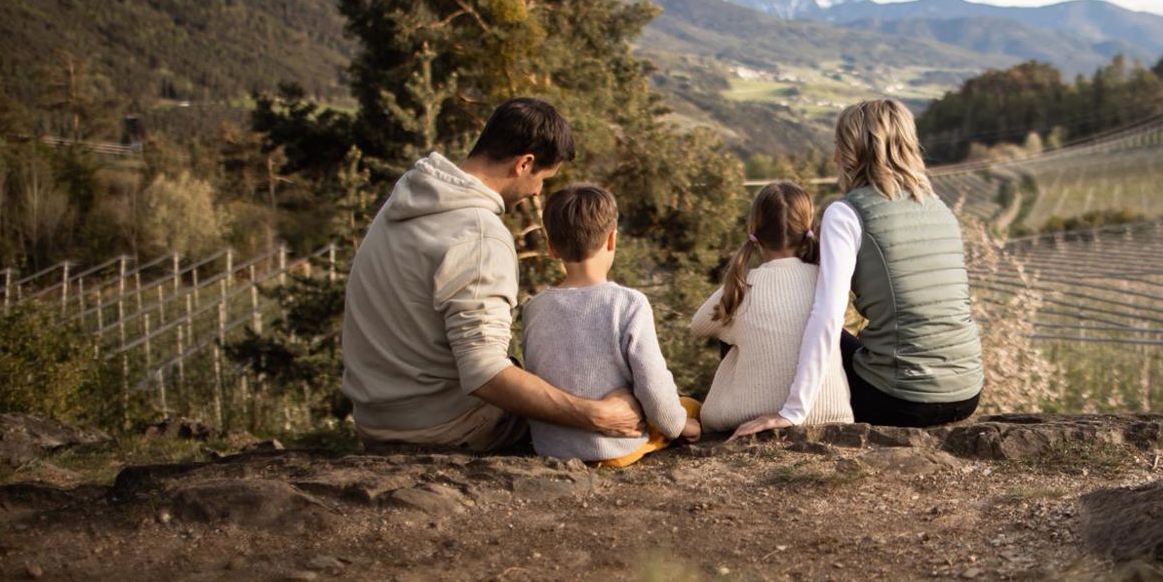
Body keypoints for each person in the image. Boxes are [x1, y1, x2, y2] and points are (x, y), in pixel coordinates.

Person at [341, 98, 643, 451]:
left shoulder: (409, 199)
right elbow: (484, 373)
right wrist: (596, 414)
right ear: (525, 163)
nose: (538, 192)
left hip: (376, 419)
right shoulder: (480, 235)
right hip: (443, 426)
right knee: (601, 423)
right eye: (543, 179)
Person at [733, 99, 984, 438]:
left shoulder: (847, 213)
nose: (835, 155)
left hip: (901, 400)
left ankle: (732, 405)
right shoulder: (940, 208)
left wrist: (794, 411)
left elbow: (827, 316)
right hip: (967, 393)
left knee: (773, 322)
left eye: (839, 144)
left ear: (854, 149)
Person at [522, 183, 701, 467]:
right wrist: (682, 427)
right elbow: (653, 384)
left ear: (551, 248)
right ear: (612, 240)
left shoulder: (534, 309)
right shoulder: (629, 303)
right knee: (688, 406)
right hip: (615, 448)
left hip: (551, 447)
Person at [689, 181, 853, 433]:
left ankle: (751, 393)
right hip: (830, 412)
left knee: (728, 325)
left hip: (748, 412)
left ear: (755, 230)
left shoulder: (744, 285)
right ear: (808, 227)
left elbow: (698, 326)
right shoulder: (825, 280)